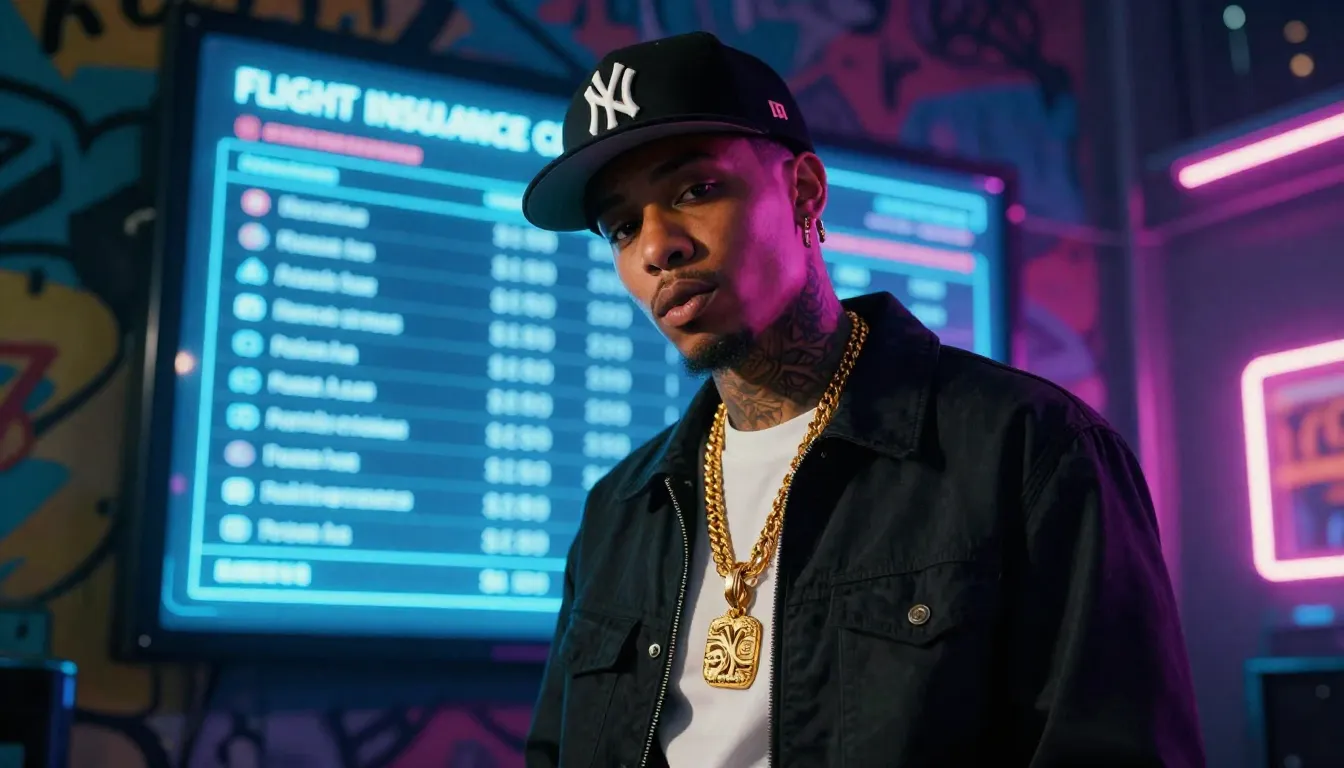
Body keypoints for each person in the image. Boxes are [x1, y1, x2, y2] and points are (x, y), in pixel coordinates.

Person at [519, 31, 1205, 768]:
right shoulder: (619, 511)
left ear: (804, 192)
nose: (657, 248)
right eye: (623, 227)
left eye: (695, 189)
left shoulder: (1032, 450)